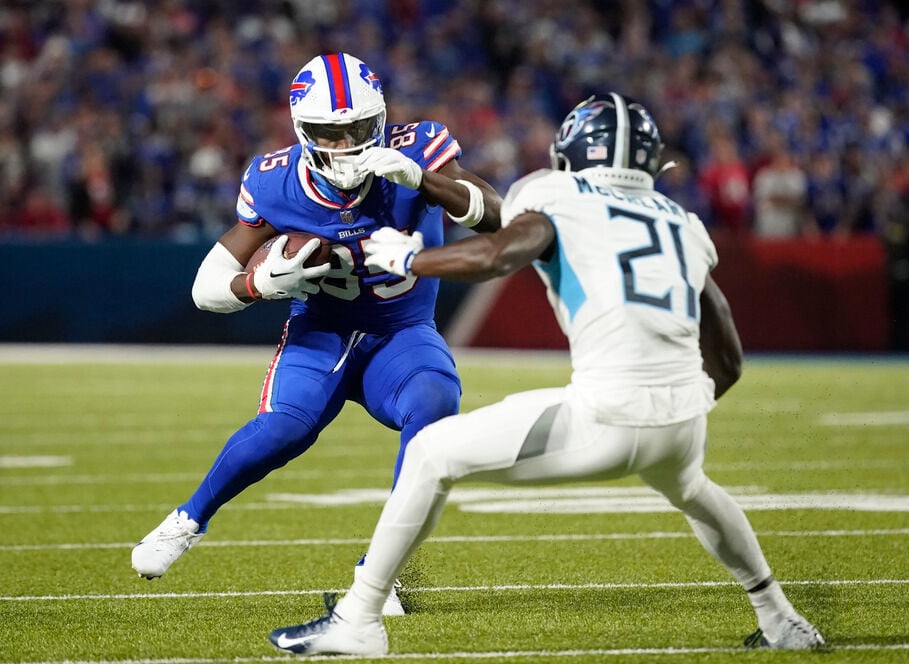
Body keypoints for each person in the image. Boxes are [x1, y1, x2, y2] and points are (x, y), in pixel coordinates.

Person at [268, 92, 825, 655]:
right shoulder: (681, 221)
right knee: (694, 489)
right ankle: (780, 617)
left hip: (604, 416)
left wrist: (408, 259)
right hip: (683, 419)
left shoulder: (557, 192)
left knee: (430, 454)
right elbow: (727, 352)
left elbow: (494, 255)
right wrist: (683, 405)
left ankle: (359, 619)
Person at [129, 52, 503, 617]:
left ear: (379, 118)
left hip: (401, 333)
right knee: (284, 428)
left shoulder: (417, 147)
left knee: (436, 404)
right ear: (304, 131)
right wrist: (260, 283)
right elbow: (206, 287)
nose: (347, 143)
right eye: (332, 132)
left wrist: (420, 178)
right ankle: (188, 518)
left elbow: (496, 215)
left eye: (357, 128)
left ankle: (379, 573)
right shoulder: (275, 181)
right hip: (321, 331)